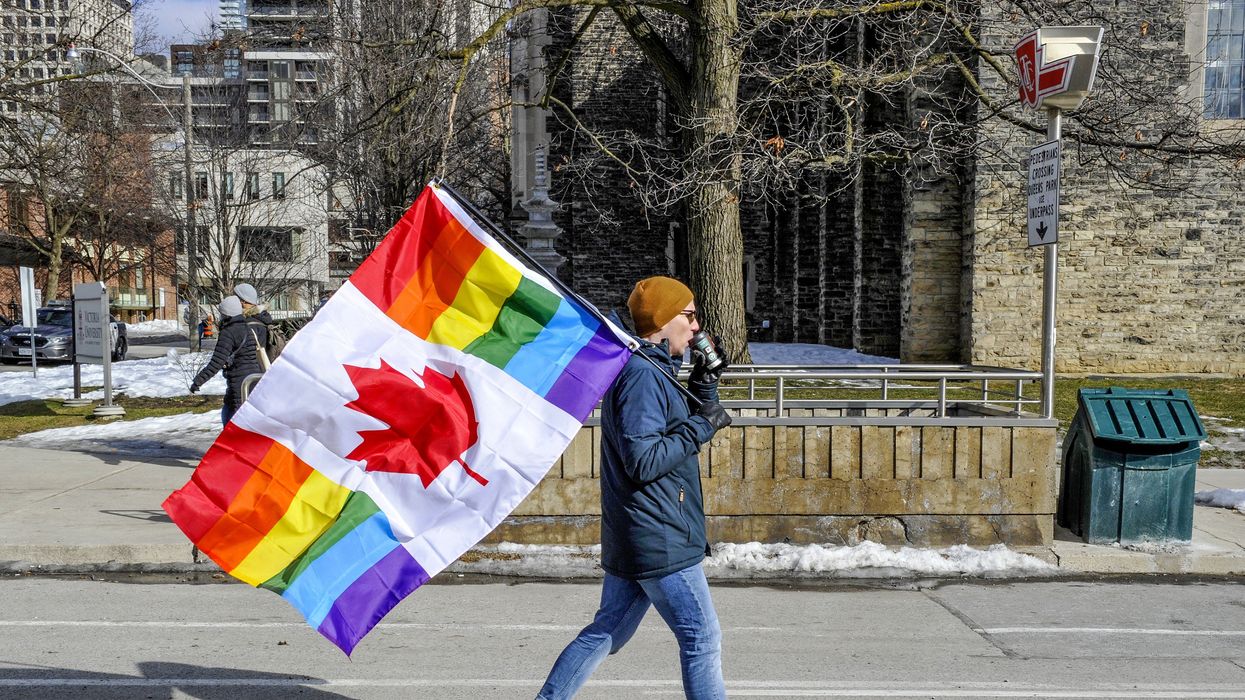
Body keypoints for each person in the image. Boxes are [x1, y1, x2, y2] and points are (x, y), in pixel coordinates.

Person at [536, 276, 733, 700]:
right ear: (664, 320)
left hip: (639, 532)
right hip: (659, 536)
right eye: (689, 316)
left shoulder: (652, 368)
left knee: (608, 631)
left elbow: (668, 425)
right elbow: (643, 460)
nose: (697, 327)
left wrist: (705, 381)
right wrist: (705, 425)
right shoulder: (643, 375)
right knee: (702, 639)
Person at [190, 295, 267, 425]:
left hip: (239, 383)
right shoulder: (248, 328)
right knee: (242, 421)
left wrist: (198, 381)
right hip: (253, 380)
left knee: (235, 424)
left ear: (226, 314)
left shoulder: (229, 332)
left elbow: (216, 363)